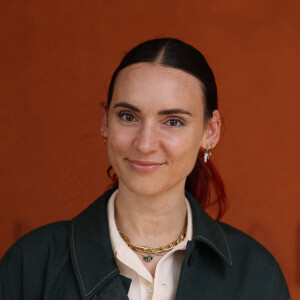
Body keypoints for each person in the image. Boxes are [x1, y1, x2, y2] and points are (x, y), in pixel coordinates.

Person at [0, 38, 290, 299]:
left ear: (210, 131)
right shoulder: (32, 265)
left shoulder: (255, 275)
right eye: (128, 116)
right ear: (105, 122)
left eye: (173, 121)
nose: (145, 144)